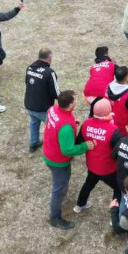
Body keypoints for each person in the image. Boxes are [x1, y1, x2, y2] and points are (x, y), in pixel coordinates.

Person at [42, 90, 94, 230]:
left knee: (64, 179)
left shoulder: (53, 108)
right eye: (75, 101)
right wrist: (85, 146)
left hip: (49, 150)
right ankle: (55, 217)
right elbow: (68, 150)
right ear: (70, 105)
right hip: (57, 160)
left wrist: (72, 122)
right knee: (58, 189)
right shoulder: (65, 127)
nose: (77, 102)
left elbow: (58, 123)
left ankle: (62, 194)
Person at [73, 98, 122, 214]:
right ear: (108, 112)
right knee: (118, 188)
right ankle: (115, 215)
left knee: (88, 183)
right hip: (108, 168)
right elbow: (118, 152)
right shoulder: (113, 130)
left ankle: (79, 205)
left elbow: (79, 141)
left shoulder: (86, 123)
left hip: (92, 165)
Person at [25, 48, 61, 152]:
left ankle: (33, 143)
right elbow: (56, 92)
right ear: (49, 58)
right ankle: (56, 148)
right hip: (43, 108)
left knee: (34, 123)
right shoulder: (49, 72)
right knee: (53, 128)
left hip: (29, 105)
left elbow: (27, 84)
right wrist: (66, 100)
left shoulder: (30, 68)